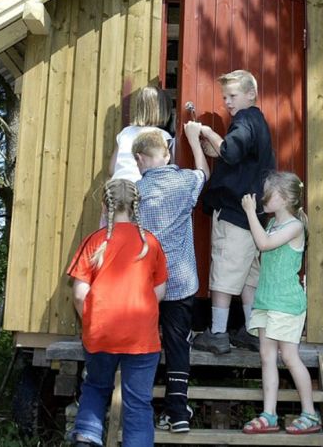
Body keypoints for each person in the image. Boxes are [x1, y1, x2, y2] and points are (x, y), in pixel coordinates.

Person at [67, 179, 168, 447]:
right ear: (137, 207)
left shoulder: (94, 241)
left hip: (101, 332)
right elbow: (159, 294)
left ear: (104, 206)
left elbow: (79, 294)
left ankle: (86, 439)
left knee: (97, 388)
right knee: (138, 403)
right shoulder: (151, 244)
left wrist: (88, 321)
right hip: (141, 337)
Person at [133, 125, 209, 434]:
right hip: (179, 281)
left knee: (145, 342)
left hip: (145, 284)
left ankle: (139, 406)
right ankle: (177, 410)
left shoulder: (136, 192)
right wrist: (194, 142)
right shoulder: (184, 181)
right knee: (178, 342)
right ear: (166, 154)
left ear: (140, 159)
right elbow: (203, 172)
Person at [192, 69, 276, 354]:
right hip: (254, 216)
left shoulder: (243, 120)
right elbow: (238, 157)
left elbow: (231, 150)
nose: (227, 102)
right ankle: (250, 331)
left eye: (233, 95)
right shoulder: (258, 122)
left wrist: (207, 133)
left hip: (234, 212)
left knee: (225, 272)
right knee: (250, 275)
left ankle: (217, 333)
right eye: (225, 97)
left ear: (251, 95)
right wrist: (219, 148)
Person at [239, 171, 320, 435]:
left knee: (289, 357)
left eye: (267, 193)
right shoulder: (274, 224)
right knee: (266, 357)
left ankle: (310, 414)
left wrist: (250, 212)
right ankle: (269, 415)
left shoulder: (294, 226)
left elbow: (263, 244)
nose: (261, 198)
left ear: (284, 198)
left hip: (285, 303)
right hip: (267, 301)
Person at [110, 85, 173, 182]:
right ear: (164, 110)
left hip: (118, 187)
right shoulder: (163, 136)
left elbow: (111, 169)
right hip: (142, 189)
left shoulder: (125, 132)